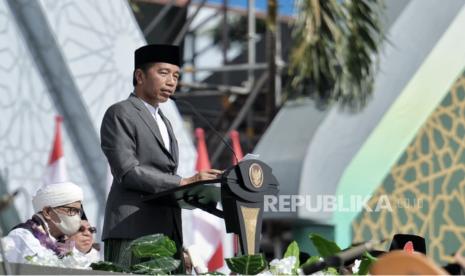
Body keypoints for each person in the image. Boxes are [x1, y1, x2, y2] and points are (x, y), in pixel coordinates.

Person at [100, 44, 222, 269]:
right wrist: (184, 182)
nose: (171, 82)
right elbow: (127, 171)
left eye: (176, 76)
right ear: (139, 76)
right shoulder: (121, 112)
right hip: (133, 229)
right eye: (163, 73)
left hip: (167, 232)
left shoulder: (165, 121)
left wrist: (201, 188)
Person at [1, 182, 90, 267]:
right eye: (72, 210)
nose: (78, 217)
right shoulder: (22, 237)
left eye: (79, 212)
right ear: (48, 212)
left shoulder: (67, 246)